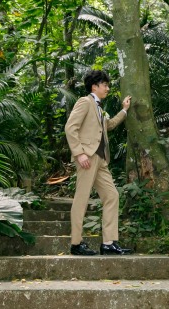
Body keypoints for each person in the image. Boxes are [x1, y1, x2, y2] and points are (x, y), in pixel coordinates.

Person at [65, 69, 133, 256]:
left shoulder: (99, 108)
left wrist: (124, 110)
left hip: (101, 159)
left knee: (112, 196)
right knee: (82, 199)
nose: (108, 88)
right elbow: (70, 128)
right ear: (94, 86)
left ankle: (109, 243)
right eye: (105, 85)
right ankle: (76, 244)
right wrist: (79, 154)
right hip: (87, 157)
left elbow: (108, 126)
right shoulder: (85, 102)